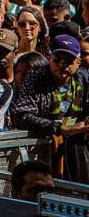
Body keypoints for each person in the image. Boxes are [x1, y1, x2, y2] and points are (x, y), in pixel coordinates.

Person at [12, 33, 89, 181]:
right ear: (49, 59)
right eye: (57, 60)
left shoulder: (84, 78)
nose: (62, 65)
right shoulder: (36, 78)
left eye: (68, 61)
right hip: (42, 149)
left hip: (77, 147)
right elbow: (21, 115)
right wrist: (59, 128)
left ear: (78, 62)